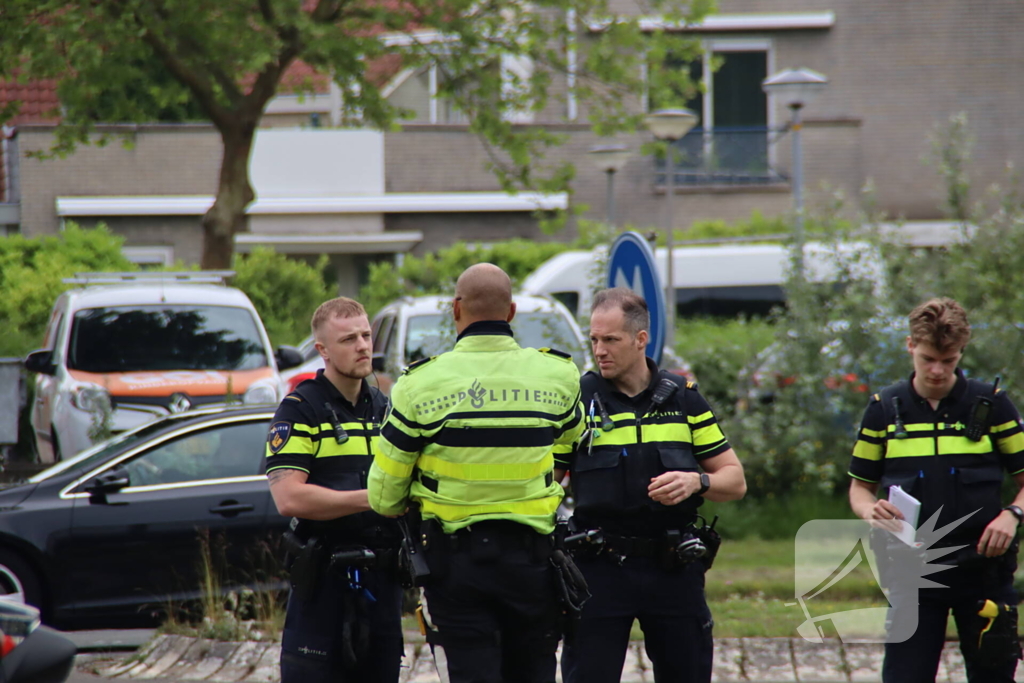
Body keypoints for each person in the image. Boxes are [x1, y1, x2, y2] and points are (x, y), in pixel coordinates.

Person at [367, 263, 585, 683]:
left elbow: (383, 496)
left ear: (455, 309)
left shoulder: (417, 385)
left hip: (454, 568)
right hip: (534, 565)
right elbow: (572, 444)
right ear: (512, 312)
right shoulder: (558, 376)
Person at [557, 287, 747, 683]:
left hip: (672, 566)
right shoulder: (577, 401)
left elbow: (735, 480)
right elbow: (546, 485)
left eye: (611, 340)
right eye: (594, 340)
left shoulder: (684, 399)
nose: (600, 350)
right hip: (598, 567)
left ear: (641, 339)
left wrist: (697, 480)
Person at [848, 297, 1024, 683]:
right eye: (928, 358)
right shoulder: (882, 409)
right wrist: (868, 511)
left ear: (962, 351)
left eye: (949, 360)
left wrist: (1012, 515)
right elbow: (859, 487)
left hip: (984, 570)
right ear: (910, 345)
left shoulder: (992, 406)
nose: (938, 370)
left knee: (993, 674)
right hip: (912, 574)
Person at [265, 297, 403, 683]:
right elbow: (288, 497)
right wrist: (374, 500)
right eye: (348, 339)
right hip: (324, 585)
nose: (362, 346)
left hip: (382, 584)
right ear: (322, 350)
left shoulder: (385, 408)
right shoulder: (299, 409)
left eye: (366, 335)